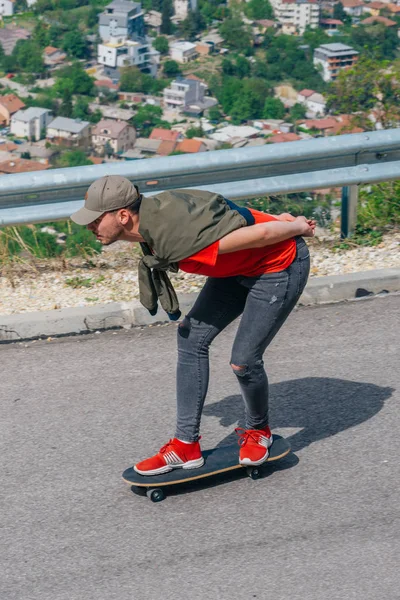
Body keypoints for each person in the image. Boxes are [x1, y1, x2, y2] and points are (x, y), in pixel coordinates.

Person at [71, 175, 314, 476]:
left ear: (123, 216)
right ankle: (185, 445)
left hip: (277, 266)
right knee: (190, 338)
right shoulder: (152, 219)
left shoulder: (178, 237)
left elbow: (262, 235)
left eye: (96, 220)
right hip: (235, 269)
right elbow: (231, 214)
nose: (90, 227)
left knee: (244, 361)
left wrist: (296, 226)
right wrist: (278, 217)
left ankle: (258, 430)